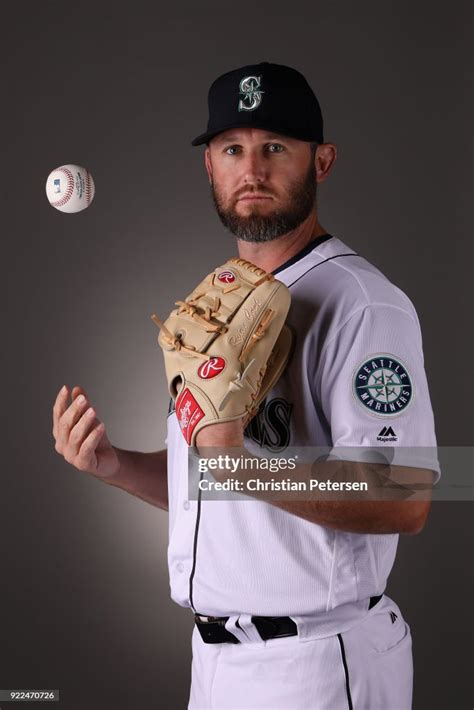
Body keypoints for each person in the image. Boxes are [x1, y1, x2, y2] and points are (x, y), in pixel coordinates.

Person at [53, 62, 440, 709]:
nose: (252, 170)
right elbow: (212, 481)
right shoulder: (220, 301)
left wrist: (242, 465)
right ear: (210, 165)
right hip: (214, 666)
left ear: (322, 161)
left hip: (316, 664)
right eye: (233, 148)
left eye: (276, 147)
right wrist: (116, 466)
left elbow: (407, 493)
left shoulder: (365, 304)